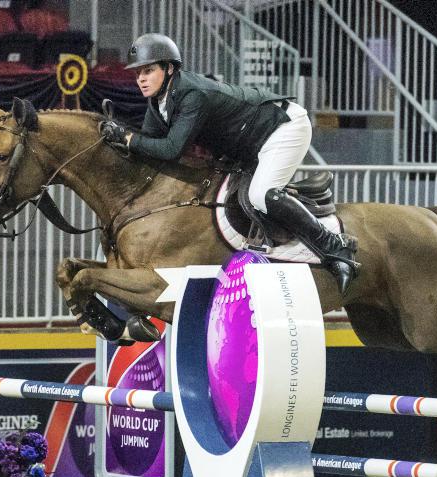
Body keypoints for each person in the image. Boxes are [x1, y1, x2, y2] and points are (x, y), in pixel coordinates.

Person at [100, 33, 359, 293]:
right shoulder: (158, 102)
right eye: (138, 73)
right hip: (251, 144)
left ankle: (335, 246)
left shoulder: (192, 94)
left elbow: (170, 150)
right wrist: (119, 137)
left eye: (148, 71)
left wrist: (128, 138)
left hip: (283, 127)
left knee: (260, 194)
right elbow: (147, 145)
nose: (141, 79)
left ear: (169, 69)